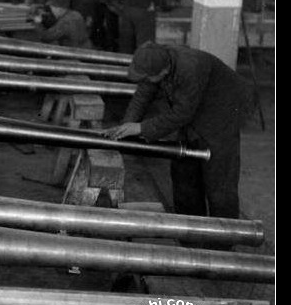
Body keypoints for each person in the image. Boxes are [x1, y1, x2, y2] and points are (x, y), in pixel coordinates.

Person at [103, 42, 255, 234]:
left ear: (163, 72)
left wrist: (141, 128)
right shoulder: (156, 61)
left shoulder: (191, 68)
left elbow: (182, 114)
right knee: (183, 171)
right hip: (194, 109)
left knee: (219, 181)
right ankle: (189, 232)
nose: (147, 81)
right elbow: (142, 96)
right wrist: (126, 126)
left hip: (223, 112)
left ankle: (225, 240)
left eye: (149, 78)